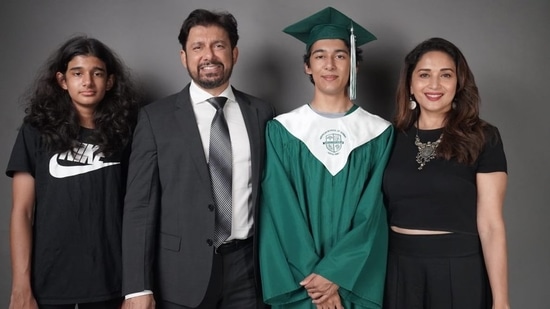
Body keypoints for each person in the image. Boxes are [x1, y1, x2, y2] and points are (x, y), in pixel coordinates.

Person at [121, 8, 274, 309]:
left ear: (234, 52)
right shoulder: (155, 118)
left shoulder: (261, 113)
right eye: (198, 47)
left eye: (218, 45)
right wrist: (137, 288)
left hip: (247, 272)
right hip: (179, 275)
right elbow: (140, 206)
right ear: (184, 57)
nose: (209, 55)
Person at [259, 7, 394, 309]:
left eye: (340, 55)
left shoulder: (378, 133)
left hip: (355, 282)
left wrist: (335, 275)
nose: (329, 64)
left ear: (354, 64)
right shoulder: (283, 131)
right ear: (307, 66)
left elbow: (372, 214)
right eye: (319, 55)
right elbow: (280, 210)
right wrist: (317, 280)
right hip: (302, 284)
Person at [6, 35, 140, 309]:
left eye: (97, 73)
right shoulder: (35, 131)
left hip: (112, 283)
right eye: (77, 73)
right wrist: (21, 287)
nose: (88, 82)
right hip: (49, 284)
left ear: (110, 81)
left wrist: (136, 289)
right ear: (62, 80)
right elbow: (22, 212)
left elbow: (138, 212)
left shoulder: (128, 133)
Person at [382, 37, 509, 308]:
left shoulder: (483, 137)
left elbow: (491, 225)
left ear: (459, 83)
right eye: (424, 75)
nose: (435, 85)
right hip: (398, 270)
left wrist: (501, 301)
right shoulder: (389, 137)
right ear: (410, 84)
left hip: (458, 270)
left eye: (446, 75)